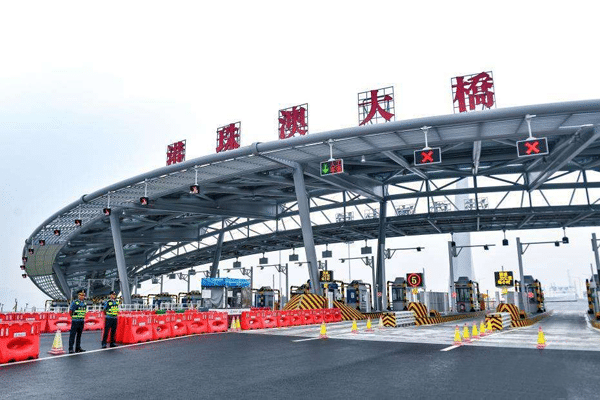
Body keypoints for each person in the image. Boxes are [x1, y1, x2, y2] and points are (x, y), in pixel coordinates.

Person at [68, 289, 87, 354]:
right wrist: (73, 317)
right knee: (72, 335)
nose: (82, 296)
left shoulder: (84, 303)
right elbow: (70, 311)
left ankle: (78, 348)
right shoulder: (75, 302)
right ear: (78, 295)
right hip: (75, 320)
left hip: (81, 320)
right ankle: (71, 348)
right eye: (81, 295)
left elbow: (84, 311)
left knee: (79, 335)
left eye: (83, 295)